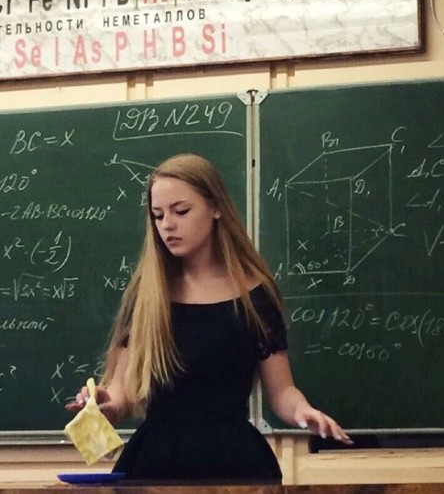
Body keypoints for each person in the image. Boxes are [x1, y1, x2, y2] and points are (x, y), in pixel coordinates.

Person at [67, 153, 352, 484]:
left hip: (234, 462)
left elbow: (282, 392)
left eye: (181, 211)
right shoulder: (147, 295)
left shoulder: (254, 296)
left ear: (216, 208)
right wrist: (104, 405)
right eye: (158, 215)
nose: (167, 225)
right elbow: (123, 393)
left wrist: (302, 412)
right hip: (155, 464)